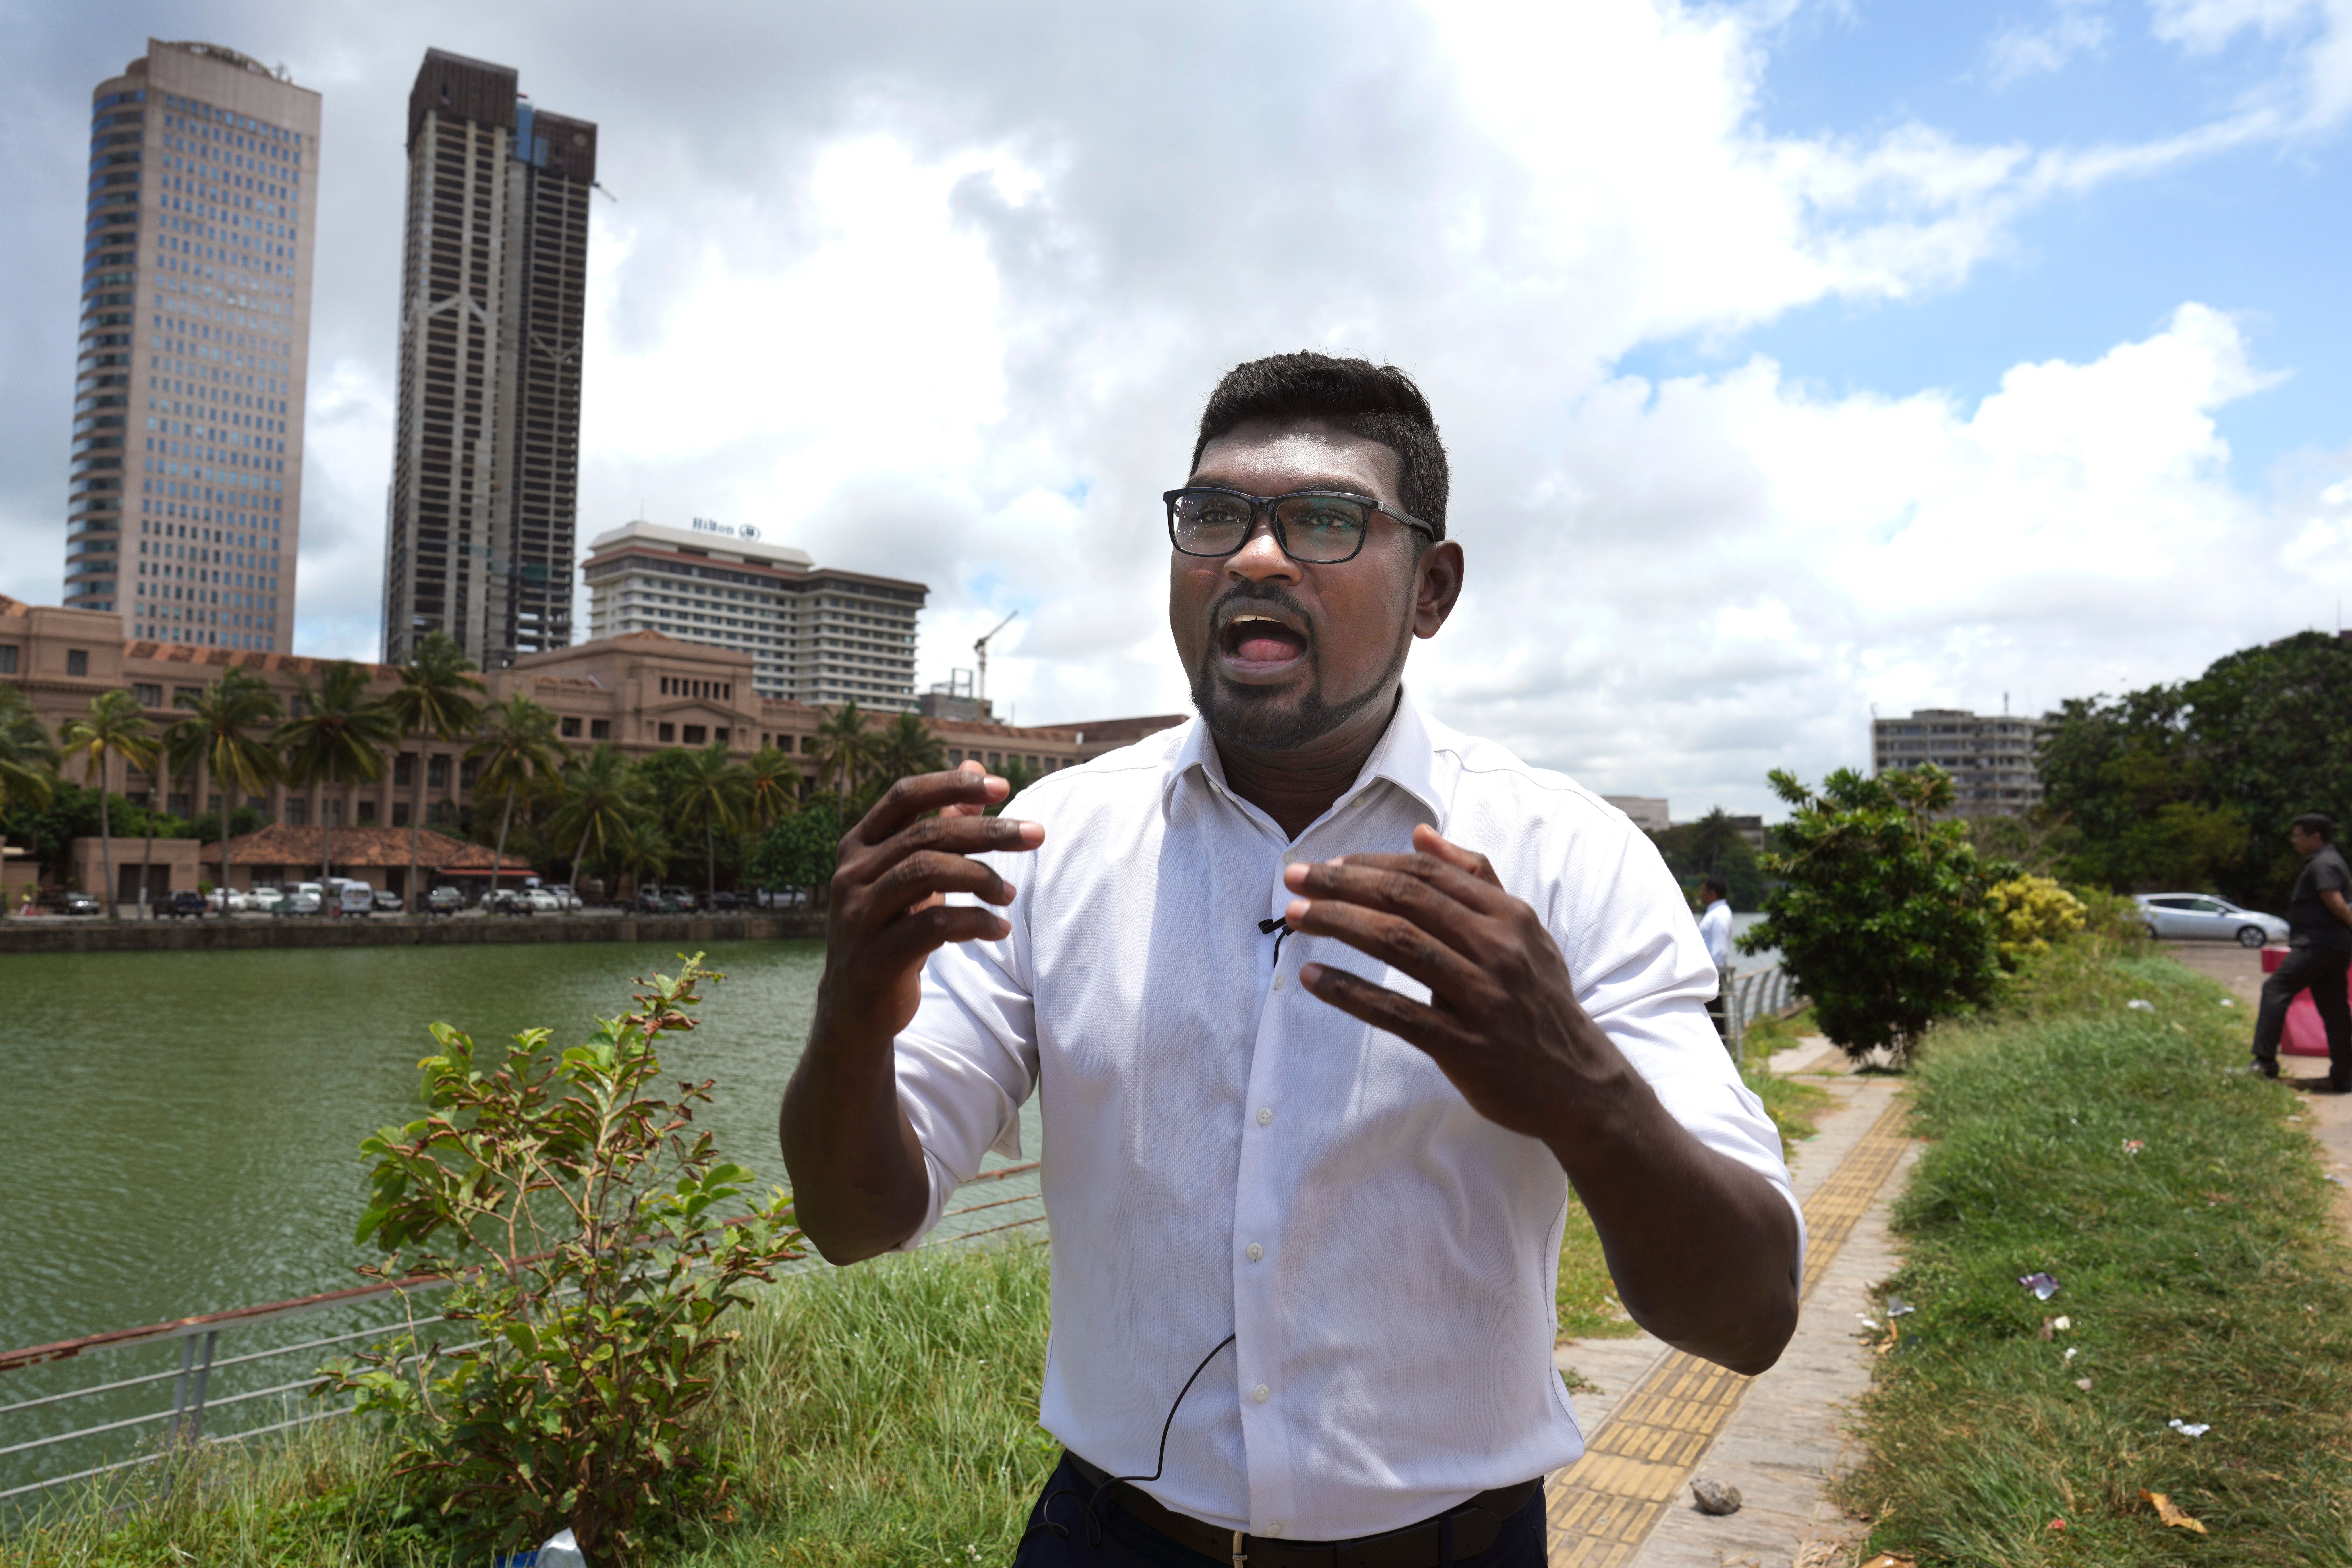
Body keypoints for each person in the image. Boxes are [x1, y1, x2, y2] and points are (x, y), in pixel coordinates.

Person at [781, 352, 1802, 1567]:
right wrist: (850, 1010)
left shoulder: (1569, 858)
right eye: (1214, 515)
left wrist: (1580, 1092)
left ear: (1432, 587)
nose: (1255, 557)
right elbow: (856, 1219)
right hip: (1112, 1540)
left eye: (1325, 520)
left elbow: (1749, 1315)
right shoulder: (1047, 847)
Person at [2253, 812, 2352, 1090]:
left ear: (2315, 837)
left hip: (2317, 945)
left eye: (2298, 836)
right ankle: (2344, 1075)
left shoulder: (2324, 864)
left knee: (2275, 989)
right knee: (2335, 1009)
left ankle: (2264, 1062)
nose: (2294, 841)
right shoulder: (2331, 861)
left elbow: (2336, 902)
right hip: (2333, 946)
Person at [1697, 874, 1734, 1042]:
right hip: (1712, 977)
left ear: (1713, 893)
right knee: (1714, 1022)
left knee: (1716, 1022)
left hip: (1713, 979)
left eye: (1703, 890)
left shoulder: (1719, 915)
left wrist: (1713, 979)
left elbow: (1720, 950)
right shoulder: (1717, 913)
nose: (1701, 894)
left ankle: (1723, 1053)